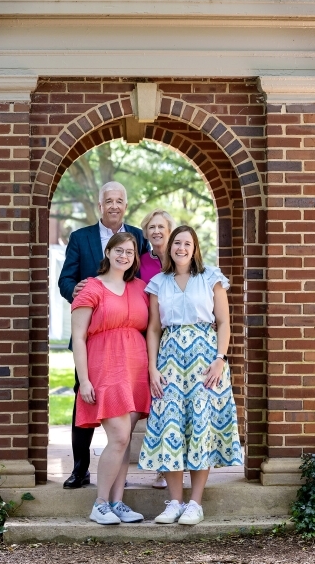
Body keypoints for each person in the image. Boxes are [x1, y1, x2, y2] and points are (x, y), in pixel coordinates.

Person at [139, 225, 242, 525]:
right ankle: (174, 502)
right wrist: (152, 367)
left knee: (201, 427)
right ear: (169, 248)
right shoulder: (159, 282)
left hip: (205, 362)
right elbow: (155, 328)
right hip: (170, 361)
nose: (181, 248)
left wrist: (220, 360)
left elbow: (223, 322)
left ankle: (195, 503)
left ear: (195, 248)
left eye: (187, 243)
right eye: (177, 243)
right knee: (170, 427)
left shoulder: (211, 278)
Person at [58, 182, 148, 489]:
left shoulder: (137, 236)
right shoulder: (80, 238)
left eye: (119, 201)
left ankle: (118, 484)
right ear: (100, 205)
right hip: (93, 335)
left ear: (125, 205)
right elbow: (66, 279)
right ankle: (80, 467)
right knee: (85, 395)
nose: (114, 205)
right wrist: (83, 297)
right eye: (108, 201)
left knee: (125, 408)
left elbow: (145, 275)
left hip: (127, 335)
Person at [71, 233, 151, 524]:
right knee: (118, 436)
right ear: (108, 251)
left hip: (135, 370)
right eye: (119, 250)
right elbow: (78, 337)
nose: (124, 256)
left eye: (130, 252)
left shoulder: (141, 287)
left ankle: (118, 503)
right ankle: (100, 503)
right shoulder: (91, 288)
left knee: (125, 439)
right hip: (104, 368)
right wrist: (85, 380)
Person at [139, 208, 175, 490]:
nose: (156, 232)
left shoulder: (182, 256)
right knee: (159, 398)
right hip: (148, 335)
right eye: (151, 227)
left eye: (161, 227)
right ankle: (163, 465)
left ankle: (174, 465)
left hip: (177, 336)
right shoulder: (141, 262)